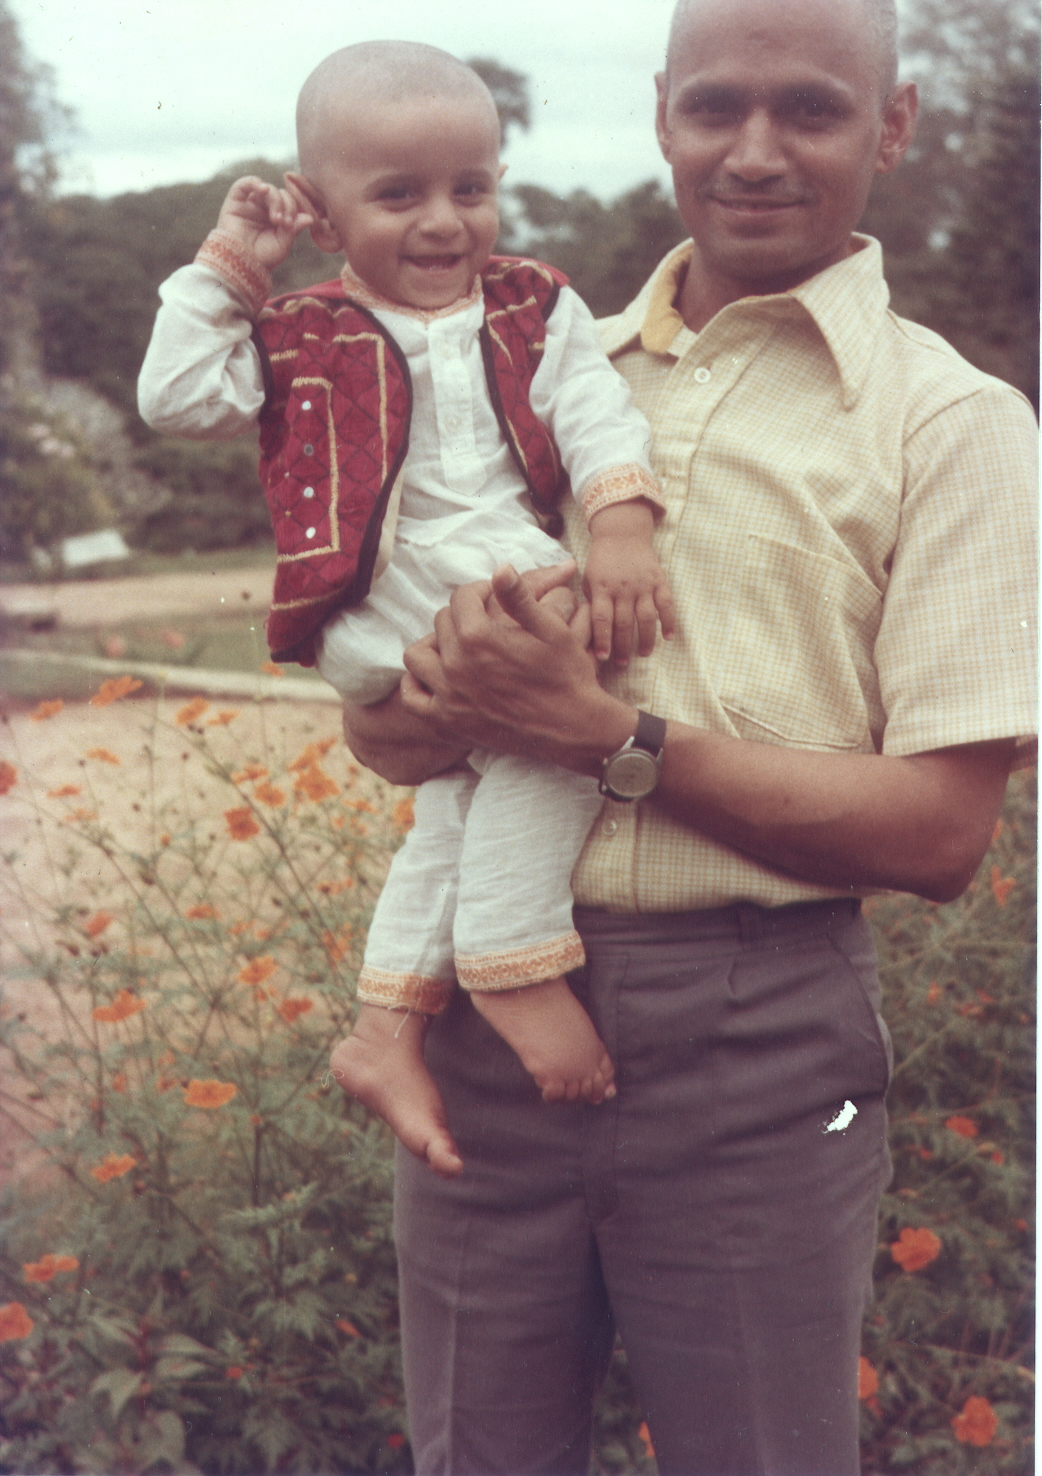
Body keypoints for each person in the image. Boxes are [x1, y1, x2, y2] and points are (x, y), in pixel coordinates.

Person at [338, 0, 1038, 1472]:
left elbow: (937, 835)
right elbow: (403, 747)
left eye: (814, 111)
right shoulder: (531, 374)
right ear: (661, 114)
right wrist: (428, 695)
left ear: (893, 125)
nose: (757, 153)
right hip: (484, 1023)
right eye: (716, 108)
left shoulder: (952, 424)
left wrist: (609, 738)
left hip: (757, 1042)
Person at [137, 42, 678, 1155]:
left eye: (469, 189)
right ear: (324, 222)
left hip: (483, 565)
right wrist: (233, 262)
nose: (443, 222)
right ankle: (508, 953)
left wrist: (621, 520)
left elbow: (594, 412)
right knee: (564, 675)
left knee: (471, 786)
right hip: (378, 588)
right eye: (398, 195)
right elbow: (176, 396)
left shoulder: (536, 303)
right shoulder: (296, 330)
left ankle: (386, 1022)